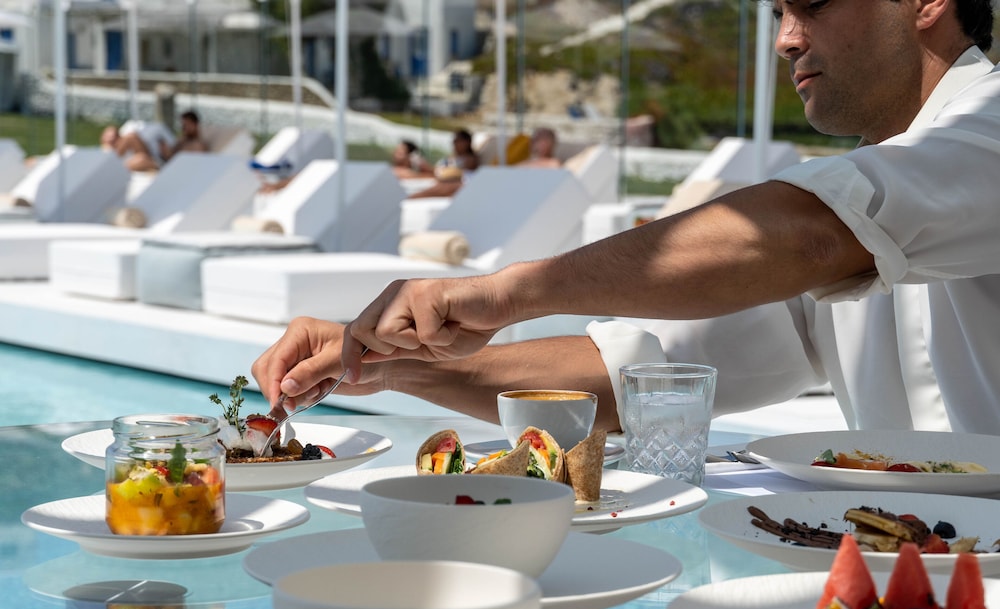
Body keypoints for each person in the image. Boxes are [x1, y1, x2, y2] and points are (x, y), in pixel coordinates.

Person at [253, 0, 1000, 438]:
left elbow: (809, 236)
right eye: (777, 12)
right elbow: (632, 378)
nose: (785, 38)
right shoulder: (855, 206)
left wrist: (506, 292)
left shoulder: (987, 130)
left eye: (811, 3)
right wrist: (389, 366)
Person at [114, 110, 207, 172]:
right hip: (159, 157)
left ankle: (115, 169)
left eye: (186, 125)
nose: (183, 128)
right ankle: (112, 162)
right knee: (132, 136)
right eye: (182, 126)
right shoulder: (183, 139)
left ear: (195, 124)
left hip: (164, 165)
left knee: (141, 159)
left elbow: (186, 166)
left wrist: (168, 155)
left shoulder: (198, 145)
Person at [407, 129, 481, 199]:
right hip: (442, 180)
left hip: (455, 184)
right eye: (454, 141)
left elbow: (455, 174)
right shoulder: (451, 157)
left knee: (447, 186)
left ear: (467, 142)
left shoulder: (470, 159)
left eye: (457, 141)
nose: (454, 143)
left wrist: (432, 170)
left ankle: (411, 197)